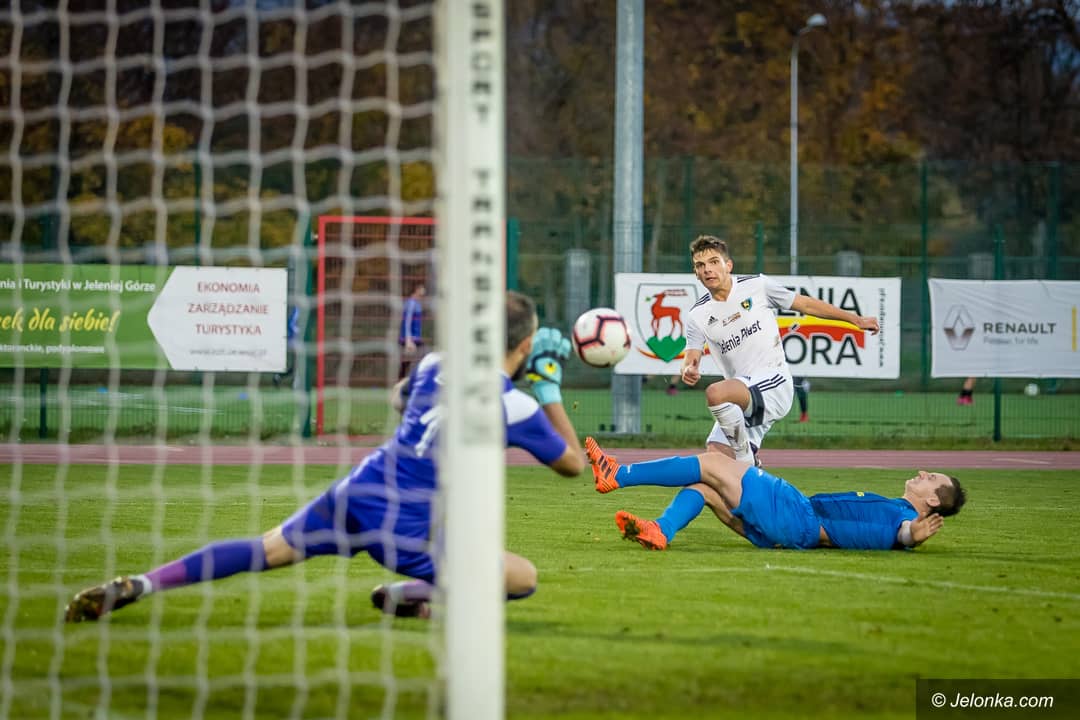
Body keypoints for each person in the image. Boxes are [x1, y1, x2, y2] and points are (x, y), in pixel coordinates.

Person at [65, 291, 585, 623]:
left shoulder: (435, 363)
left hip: (361, 487)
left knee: (266, 549)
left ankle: (142, 583)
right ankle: (410, 593)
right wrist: (548, 388)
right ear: (525, 346)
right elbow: (572, 465)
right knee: (521, 576)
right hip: (407, 525)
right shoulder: (515, 405)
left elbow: (398, 397)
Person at [626, 234, 880, 551]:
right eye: (700, 265)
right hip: (741, 402)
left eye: (713, 262)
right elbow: (692, 355)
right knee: (710, 473)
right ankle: (663, 529)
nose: (707, 269)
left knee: (716, 394)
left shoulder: (757, 286)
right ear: (696, 273)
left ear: (728, 265)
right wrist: (689, 368)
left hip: (773, 384)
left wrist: (854, 319)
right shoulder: (697, 315)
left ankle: (747, 460)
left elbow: (805, 304)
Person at [585, 437, 965, 551]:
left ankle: (617, 474)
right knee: (703, 486)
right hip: (791, 524)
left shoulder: (902, 518)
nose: (922, 473)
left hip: (797, 517)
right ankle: (661, 531)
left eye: (931, 478)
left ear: (933, 501)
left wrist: (910, 536)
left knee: (712, 462)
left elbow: (895, 534)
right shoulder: (897, 507)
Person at [398, 282, 426, 379]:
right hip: (409, 339)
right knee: (407, 362)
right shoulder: (411, 303)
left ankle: (406, 381)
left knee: (409, 362)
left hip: (416, 338)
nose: (424, 291)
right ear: (416, 289)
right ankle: (401, 382)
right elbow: (407, 322)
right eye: (422, 288)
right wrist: (408, 340)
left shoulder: (417, 303)